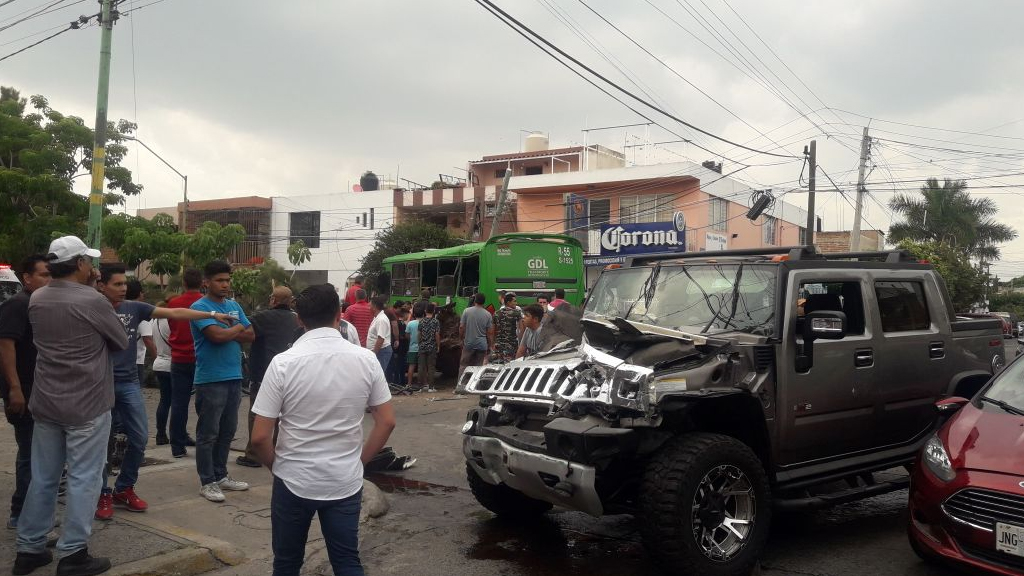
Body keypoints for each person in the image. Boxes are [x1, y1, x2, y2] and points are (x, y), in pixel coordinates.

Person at [250, 284, 395, 576]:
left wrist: (277, 467)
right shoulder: (365, 359)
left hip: (293, 479)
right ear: (339, 314)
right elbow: (387, 421)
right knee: (347, 562)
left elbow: (260, 436)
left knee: (287, 564)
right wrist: (360, 462)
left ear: (299, 319)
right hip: (344, 480)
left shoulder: (282, 364)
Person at [13, 236, 127, 576]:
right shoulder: (93, 300)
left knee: (44, 477)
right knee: (84, 478)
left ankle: (30, 547)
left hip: (47, 401)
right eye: (89, 262)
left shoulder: (38, 298)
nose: (93, 267)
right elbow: (120, 341)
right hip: (87, 404)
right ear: (79, 264)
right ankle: (73, 553)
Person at [94, 265, 238, 520]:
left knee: (138, 438)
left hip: (128, 383)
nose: (123, 288)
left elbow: (175, 311)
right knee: (103, 441)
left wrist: (213, 314)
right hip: (99, 382)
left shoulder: (135, 308)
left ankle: (124, 487)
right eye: (117, 284)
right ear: (101, 286)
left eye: (124, 284)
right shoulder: (92, 307)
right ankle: (102, 492)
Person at [190, 261, 255, 503]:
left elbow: (252, 335)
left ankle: (221, 476)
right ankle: (207, 482)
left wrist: (234, 328)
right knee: (208, 433)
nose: (225, 285)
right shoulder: (199, 307)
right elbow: (216, 336)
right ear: (206, 282)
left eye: (227, 280)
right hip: (210, 379)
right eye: (220, 280)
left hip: (234, 376)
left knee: (227, 431)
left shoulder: (233, 305)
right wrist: (238, 327)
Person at [0, 254, 51, 531]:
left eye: (51, 274)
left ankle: (30, 513)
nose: (49, 280)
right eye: (43, 275)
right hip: (24, 392)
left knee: (39, 457)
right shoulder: (18, 304)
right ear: (27, 278)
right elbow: (6, 346)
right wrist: (15, 389)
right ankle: (21, 514)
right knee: (31, 456)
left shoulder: (39, 304)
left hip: (42, 391)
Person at [237, 287, 299, 469]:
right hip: (291, 374)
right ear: (291, 301)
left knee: (258, 414)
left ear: (273, 300)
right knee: (284, 416)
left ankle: (254, 455)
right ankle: (280, 452)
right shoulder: (297, 319)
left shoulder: (263, 317)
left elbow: (241, 329)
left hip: (264, 373)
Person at [166, 269, 204, 458]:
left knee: (179, 402)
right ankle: (205, 440)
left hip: (179, 357)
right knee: (205, 403)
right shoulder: (205, 304)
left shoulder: (174, 303)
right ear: (202, 282)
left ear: (184, 283)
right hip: (200, 358)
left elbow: (172, 326)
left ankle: (177, 444)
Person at [126, 280, 155, 388]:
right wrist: (156, 359)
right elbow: (148, 340)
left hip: (120, 359)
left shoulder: (121, 309)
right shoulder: (141, 313)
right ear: (140, 294)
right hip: (136, 361)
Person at [459, 293, 494, 377]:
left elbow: (461, 327)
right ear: (484, 302)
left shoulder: (466, 311)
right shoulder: (488, 314)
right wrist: (490, 345)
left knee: (464, 366)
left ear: (475, 300)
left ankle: (461, 386)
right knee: (478, 367)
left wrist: (461, 339)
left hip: (469, 343)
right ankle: (473, 387)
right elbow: (489, 333)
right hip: (482, 345)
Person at [152, 315, 172, 446]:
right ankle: (178, 433)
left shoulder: (155, 320)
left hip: (159, 362)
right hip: (171, 363)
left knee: (164, 401)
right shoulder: (171, 321)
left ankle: (160, 434)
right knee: (177, 402)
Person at [492, 293, 523, 363]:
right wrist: (521, 343)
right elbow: (522, 329)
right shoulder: (517, 313)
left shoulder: (496, 313)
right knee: (510, 365)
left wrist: (493, 343)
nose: (516, 303)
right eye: (514, 301)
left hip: (498, 345)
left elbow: (493, 330)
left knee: (499, 364)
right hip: (511, 344)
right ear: (508, 302)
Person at [417, 303, 441, 393]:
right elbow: (437, 334)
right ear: (434, 311)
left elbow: (419, 334)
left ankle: (420, 387)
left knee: (421, 367)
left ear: (425, 311)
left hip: (422, 346)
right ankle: (431, 387)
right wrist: (438, 345)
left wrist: (420, 343)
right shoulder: (435, 322)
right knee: (431, 367)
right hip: (432, 346)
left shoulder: (421, 321)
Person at [366, 297, 392, 374]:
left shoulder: (381, 319)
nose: (368, 308)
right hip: (379, 351)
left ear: (374, 307)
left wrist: (374, 353)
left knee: (378, 374)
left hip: (381, 351)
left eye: (369, 306)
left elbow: (381, 339)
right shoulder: (377, 317)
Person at [404, 307, 422, 388]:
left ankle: (409, 383)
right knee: (422, 367)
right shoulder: (424, 322)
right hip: (422, 348)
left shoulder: (410, 324)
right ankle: (421, 383)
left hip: (412, 348)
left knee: (411, 366)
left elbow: (407, 335)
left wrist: (411, 340)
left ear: (414, 314)